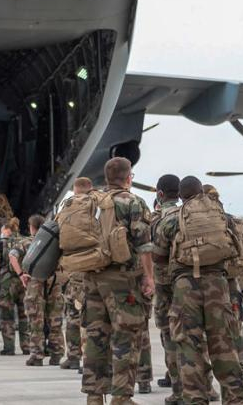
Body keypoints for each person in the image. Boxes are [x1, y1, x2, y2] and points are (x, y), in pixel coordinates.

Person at [166, 176, 243, 405]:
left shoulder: (174, 218)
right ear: (201, 191)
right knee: (224, 345)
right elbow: (237, 250)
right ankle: (236, 400)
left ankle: (196, 399)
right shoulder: (222, 216)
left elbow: (159, 255)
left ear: (180, 196)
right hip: (218, 285)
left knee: (190, 347)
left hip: (185, 287)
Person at [82, 157, 154, 405]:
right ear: (128, 177)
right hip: (122, 280)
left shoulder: (90, 201)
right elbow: (144, 245)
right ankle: (121, 398)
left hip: (91, 278)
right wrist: (149, 277)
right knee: (126, 337)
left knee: (95, 338)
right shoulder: (132, 202)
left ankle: (94, 397)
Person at [204, 184, 243, 373]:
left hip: (215, 277)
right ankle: (242, 360)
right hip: (233, 279)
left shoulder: (211, 221)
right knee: (235, 322)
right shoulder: (233, 220)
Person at [9, 214, 66, 366]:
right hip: (54, 283)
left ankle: (37, 355)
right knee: (55, 320)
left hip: (34, 283)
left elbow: (12, 256)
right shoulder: (56, 242)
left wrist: (21, 274)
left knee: (35, 320)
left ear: (31, 227)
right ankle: (56, 354)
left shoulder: (27, 242)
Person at [150, 174, 183, 404]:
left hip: (165, 286)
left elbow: (154, 255)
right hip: (189, 282)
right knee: (194, 334)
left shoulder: (156, 219)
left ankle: (178, 387)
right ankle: (205, 385)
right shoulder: (188, 214)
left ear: (160, 194)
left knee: (168, 333)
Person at [60, 177, 94, 371]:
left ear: (75, 190)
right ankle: (89, 359)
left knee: (72, 316)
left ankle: (73, 357)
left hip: (72, 272)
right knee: (90, 317)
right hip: (94, 270)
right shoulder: (98, 206)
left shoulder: (66, 208)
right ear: (91, 188)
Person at [0, 217, 30, 356]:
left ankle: (9, 348)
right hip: (24, 281)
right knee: (25, 315)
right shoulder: (26, 241)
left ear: (6, 229)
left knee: (7, 316)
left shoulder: (1, 243)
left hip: (7, 283)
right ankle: (26, 346)